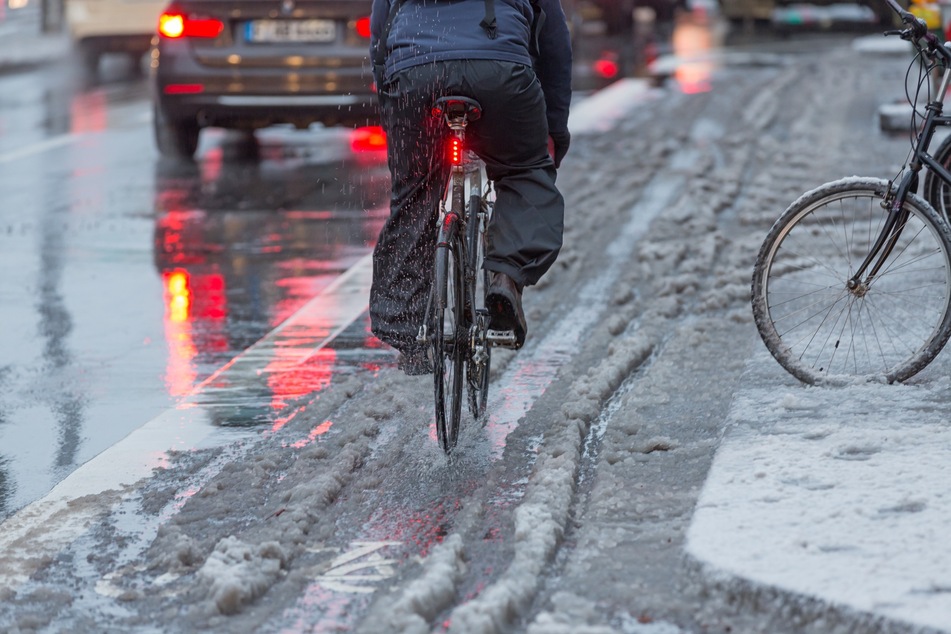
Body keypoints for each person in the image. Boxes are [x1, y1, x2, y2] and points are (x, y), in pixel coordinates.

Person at [369, 0, 572, 375]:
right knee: (522, 172)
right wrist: (554, 131)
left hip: (414, 72)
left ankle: (406, 328)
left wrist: (395, 106)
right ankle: (505, 278)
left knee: (415, 193)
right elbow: (555, 47)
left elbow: (380, 36)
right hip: (500, 70)